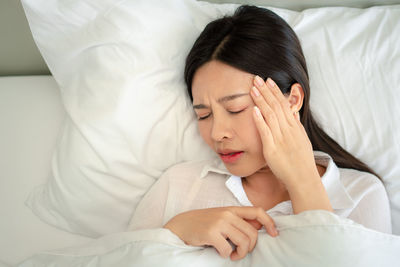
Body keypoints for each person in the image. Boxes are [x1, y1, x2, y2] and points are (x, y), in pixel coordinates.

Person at [128, 5, 392, 261]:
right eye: (204, 115)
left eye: (235, 108)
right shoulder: (177, 185)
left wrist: (304, 185)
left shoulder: (361, 196)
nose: (217, 132)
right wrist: (175, 233)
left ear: (292, 101)